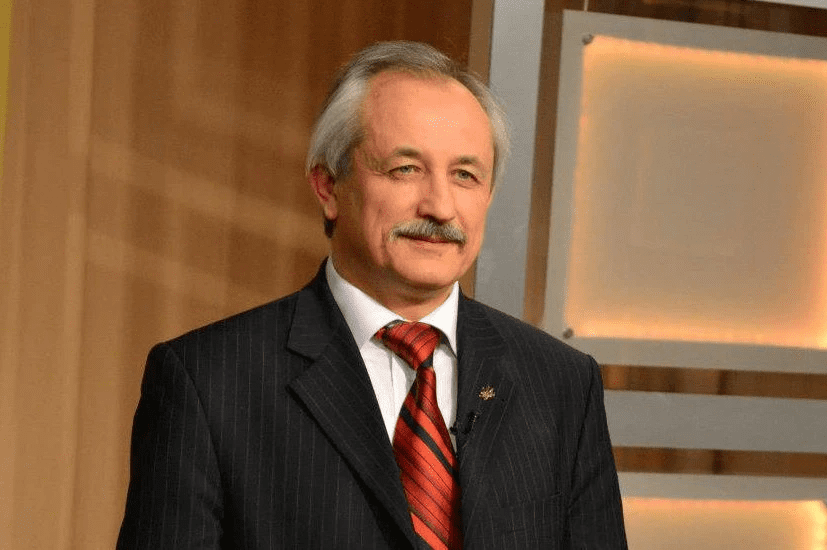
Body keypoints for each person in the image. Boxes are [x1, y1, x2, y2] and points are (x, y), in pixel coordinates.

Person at [117, 41, 627, 549]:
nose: (440, 207)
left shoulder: (561, 384)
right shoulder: (209, 381)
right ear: (328, 186)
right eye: (406, 169)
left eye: (465, 176)